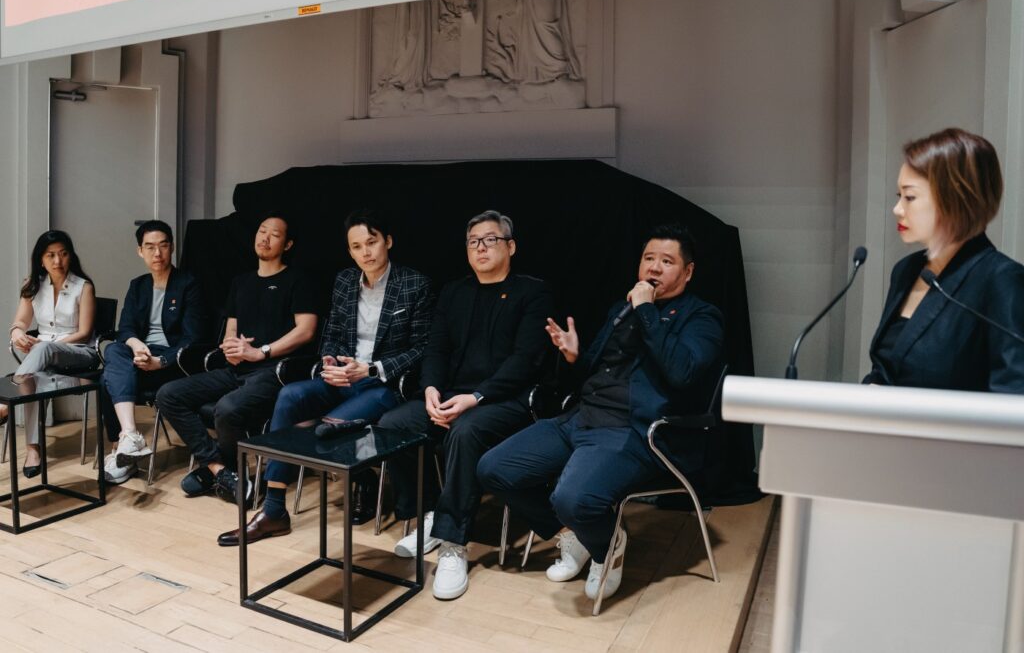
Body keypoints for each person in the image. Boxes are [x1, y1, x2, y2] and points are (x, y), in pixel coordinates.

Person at [478, 223, 725, 601]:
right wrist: (574, 357)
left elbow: (682, 372)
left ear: (687, 272)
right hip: (581, 417)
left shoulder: (702, 317)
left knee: (572, 499)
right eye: (648, 259)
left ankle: (605, 545)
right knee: (494, 469)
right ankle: (578, 536)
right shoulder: (620, 310)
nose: (654, 268)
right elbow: (588, 375)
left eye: (667, 261)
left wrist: (645, 309)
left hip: (633, 430)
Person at [217, 209, 434, 546]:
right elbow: (330, 334)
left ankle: (358, 478)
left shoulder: (413, 284)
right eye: (357, 246)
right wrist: (330, 360)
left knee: (331, 426)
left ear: (388, 242)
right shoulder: (346, 281)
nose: (366, 252)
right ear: (350, 251)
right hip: (341, 377)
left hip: (383, 384)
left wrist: (372, 369)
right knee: (289, 396)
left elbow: (422, 348)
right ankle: (274, 510)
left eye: (372, 243)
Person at [379, 210, 553, 600]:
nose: (480, 248)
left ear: (511, 246)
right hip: (452, 396)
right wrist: (431, 390)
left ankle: (453, 543)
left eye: (490, 239)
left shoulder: (532, 293)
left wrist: (475, 398)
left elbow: (526, 360)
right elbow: (436, 348)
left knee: (466, 431)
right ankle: (428, 513)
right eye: (473, 241)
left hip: (505, 400)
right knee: (394, 423)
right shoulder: (455, 292)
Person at [157, 213, 318, 503]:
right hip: (236, 369)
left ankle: (225, 471)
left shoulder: (298, 280)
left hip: (273, 372)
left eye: (275, 234)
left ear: (288, 244)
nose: (265, 238)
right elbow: (230, 332)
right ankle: (220, 470)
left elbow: (306, 331)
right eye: (261, 230)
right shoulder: (241, 281)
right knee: (168, 394)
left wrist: (261, 351)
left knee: (228, 408)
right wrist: (230, 348)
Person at [864, 127, 1024, 392]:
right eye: (898, 196)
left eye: (910, 197)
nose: (897, 209)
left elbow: (1013, 394)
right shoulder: (906, 270)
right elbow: (885, 370)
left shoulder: (1001, 280)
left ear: (955, 198)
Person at [100, 220, 205, 484]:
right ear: (140, 251)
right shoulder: (138, 285)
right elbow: (124, 329)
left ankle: (122, 448)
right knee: (115, 349)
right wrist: (137, 346)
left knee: (106, 379)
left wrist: (161, 361)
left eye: (163, 246)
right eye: (150, 247)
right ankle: (129, 438)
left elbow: (193, 338)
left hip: (170, 361)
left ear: (171, 248)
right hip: (140, 354)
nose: (157, 254)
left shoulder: (189, 283)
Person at [2, 230, 98, 478]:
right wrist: (17, 335)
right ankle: (33, 450)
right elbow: (20, 322)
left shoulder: (83, 287)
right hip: (43, 357)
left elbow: (85, 333)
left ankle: (4, 405)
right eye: (51, 255)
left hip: (80, 352)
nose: (58, 261)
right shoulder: (33, 285)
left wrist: (49, 345)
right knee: (32, 382)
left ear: (71, 256)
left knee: (42, 349)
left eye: (64, 254)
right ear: (41, 259)